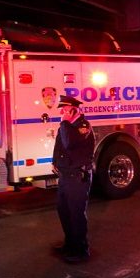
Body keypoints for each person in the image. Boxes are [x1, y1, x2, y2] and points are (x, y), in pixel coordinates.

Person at [52, 95, 95, 263]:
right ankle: (70, 244)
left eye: (64, 109)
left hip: (77, 177)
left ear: (73, 110)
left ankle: (81, 250)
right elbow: (59, 145)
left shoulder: (82, 126)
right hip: (65, 176)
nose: (62, 112)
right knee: (64, 211)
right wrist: (55, 162)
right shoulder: (68, 126)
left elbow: (70, 143)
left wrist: (65, 122)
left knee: (76, 213)